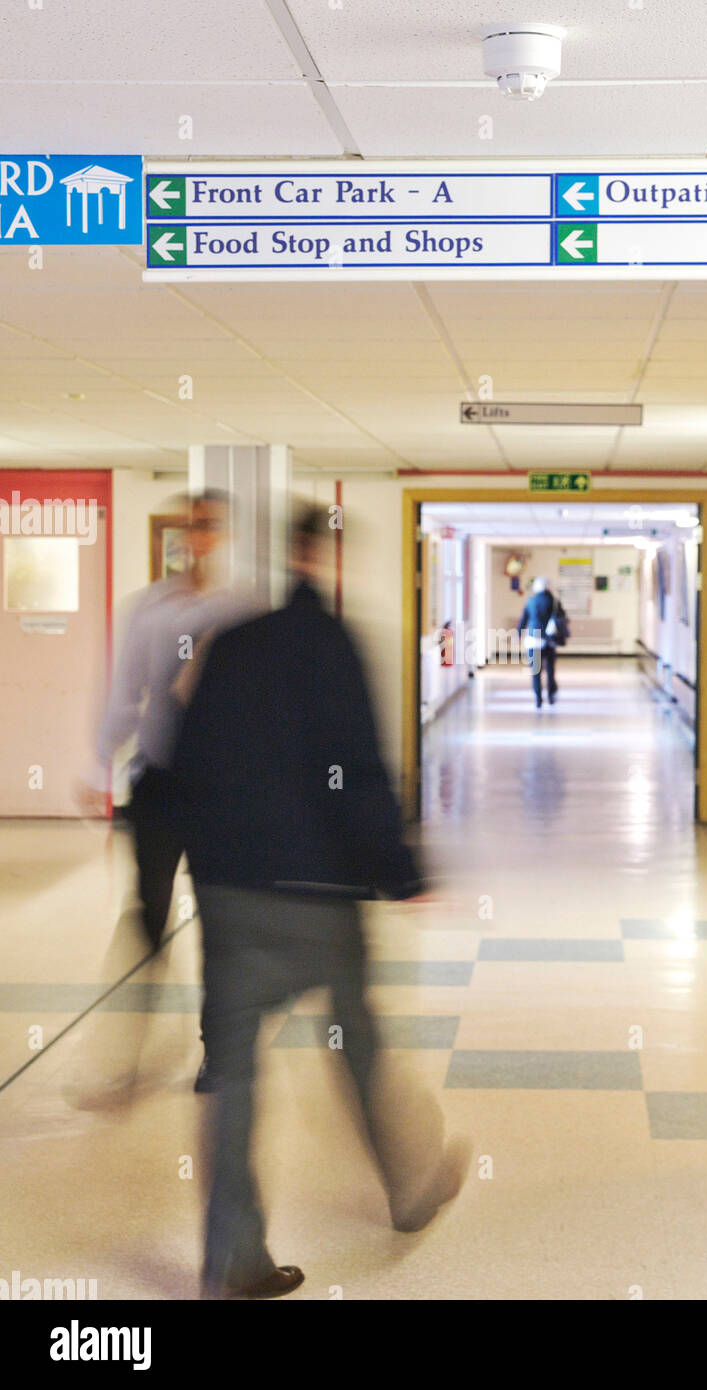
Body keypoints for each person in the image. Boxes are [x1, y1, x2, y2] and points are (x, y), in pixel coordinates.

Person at [171, 503, 469, 1300]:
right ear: (328, 554)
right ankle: (408, 1190)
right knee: (356, 1039)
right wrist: (403, 873)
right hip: (315, 897)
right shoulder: (333, 642)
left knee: (231, 1074)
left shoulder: (230, 645)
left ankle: (231, 1257)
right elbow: (356, 772)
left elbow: (185, 761)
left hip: (231, 896)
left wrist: (199, 866)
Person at [76, 489, 254, 1093]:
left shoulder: (237, 612)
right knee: (147, 918)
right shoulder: (149, 610)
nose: (200, 537)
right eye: (192, 526)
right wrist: (100, 762)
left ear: (223, 535)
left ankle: (220, 1052)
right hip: (157, 782)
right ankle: (126, 1054)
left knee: (220, 924)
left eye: (210, 526)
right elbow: (125, 692)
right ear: (182, 535)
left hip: (220, 790)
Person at [518, 575, 566, 708]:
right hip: (549, 641)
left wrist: (518, 633)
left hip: (534, 640)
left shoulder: (531, 601)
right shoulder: (554, 601)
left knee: (536, 671)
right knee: (550, 670)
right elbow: (562, 618)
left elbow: (524, 619)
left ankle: (538, 699)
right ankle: (551, 696)